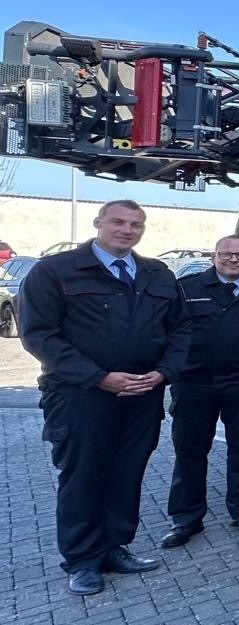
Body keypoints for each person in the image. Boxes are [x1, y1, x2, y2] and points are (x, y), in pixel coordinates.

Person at [19, 200, 190, 596]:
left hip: (142, 395)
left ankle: (115, 547)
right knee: (82, 476)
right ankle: (82, 560)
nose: (127, 230)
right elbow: (40, 335)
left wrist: (163, 373)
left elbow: (182, 332)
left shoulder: (156, 274)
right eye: (118, 221)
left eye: (136, 224)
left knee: (126, 473)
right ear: (99, 223)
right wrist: (99, 378)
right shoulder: (55, 271)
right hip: (79, 395)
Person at [160, 236, 239, 547]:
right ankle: (186, 519)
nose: (233, 260)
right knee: (190, 452)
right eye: (226, 254)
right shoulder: (187, 288)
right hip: (194, 382)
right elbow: (168, 329)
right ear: (215, 256)